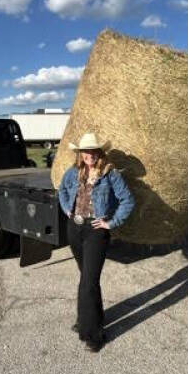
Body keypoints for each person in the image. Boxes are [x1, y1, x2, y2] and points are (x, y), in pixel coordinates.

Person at [58, 132, 135, 352]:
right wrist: (67, 209)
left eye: (93, 151)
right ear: (80, 153)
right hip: (75, 228)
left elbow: (128, 200)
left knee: (89, 281)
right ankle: (89, 318)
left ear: (99, 153)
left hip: (95, 232)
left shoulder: (110, 174)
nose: (89, 155)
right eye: (85, 151)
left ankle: (93, 333)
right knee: (86, 278)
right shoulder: (74, 172)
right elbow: (62, 190)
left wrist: (111, 223)